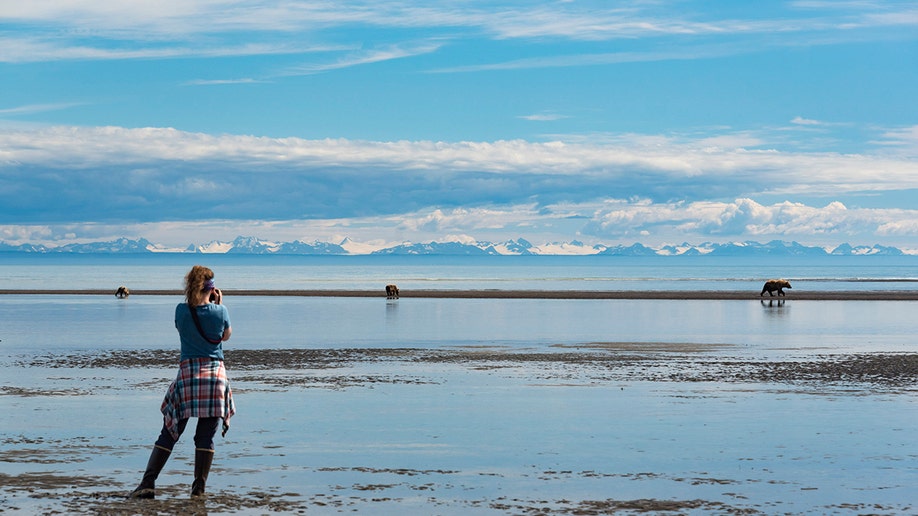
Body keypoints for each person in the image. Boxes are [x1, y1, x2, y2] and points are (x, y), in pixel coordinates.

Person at [129, 265, 235, 499]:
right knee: (205, 436)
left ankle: (147, 483)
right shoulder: (222, 311)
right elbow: (225, 336)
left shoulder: (180, 310)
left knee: (170, 430)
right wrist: (217, 305)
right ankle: (198, 490)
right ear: (213, 288)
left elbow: (182, 329)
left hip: (188, 377)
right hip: (215, 378)